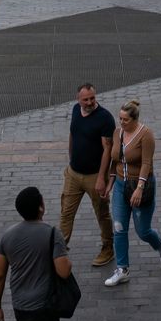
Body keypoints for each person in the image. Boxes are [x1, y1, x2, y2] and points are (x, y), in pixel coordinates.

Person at [0, 186, 73, 321]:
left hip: (19, 306)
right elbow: (64, 271)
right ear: (41, 207)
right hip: (42, 308)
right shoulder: (52, 233)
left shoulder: (8, 236)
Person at [104, 98, 161, 285]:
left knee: (142, 231)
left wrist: (139, 189)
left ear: (135, 119)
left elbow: (147, 163)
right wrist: (110, 183)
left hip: (141, 186)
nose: (121, 122)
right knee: (119, 227)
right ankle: (123, 269)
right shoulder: (117, 133)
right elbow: (115, 161)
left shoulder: (146, 135)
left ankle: (160, 244)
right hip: (121, 186)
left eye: (125, 120)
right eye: (120, 119)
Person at [59, 84, 115, 268]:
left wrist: (101, 178)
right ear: (78, 99)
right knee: (66, 212)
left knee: (102, 214)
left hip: (94, 176)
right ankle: (59, 250)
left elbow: (107, 150)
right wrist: (70, 158)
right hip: (74, 174)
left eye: (92, 98)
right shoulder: (76, 110)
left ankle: (108, 248)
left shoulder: (105, 118)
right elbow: (72, 134)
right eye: (86, 99)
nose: (90, 102)